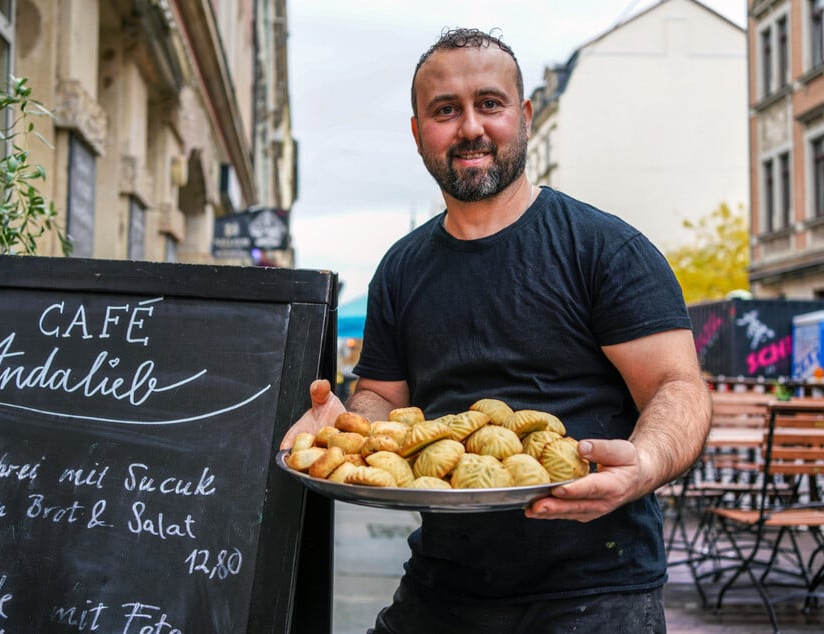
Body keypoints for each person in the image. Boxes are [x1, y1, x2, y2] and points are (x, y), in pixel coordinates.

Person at [281, 27, 711, 633]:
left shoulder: (605, 249)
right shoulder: (401, 269)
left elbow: (678, 387)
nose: (470, 128)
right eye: (445, 110)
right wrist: (349, 428)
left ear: (524, 116)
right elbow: (382, 395)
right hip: (443, 582)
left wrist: (644, 462)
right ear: (417, 132)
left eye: (490, 103)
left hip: (596, 589)